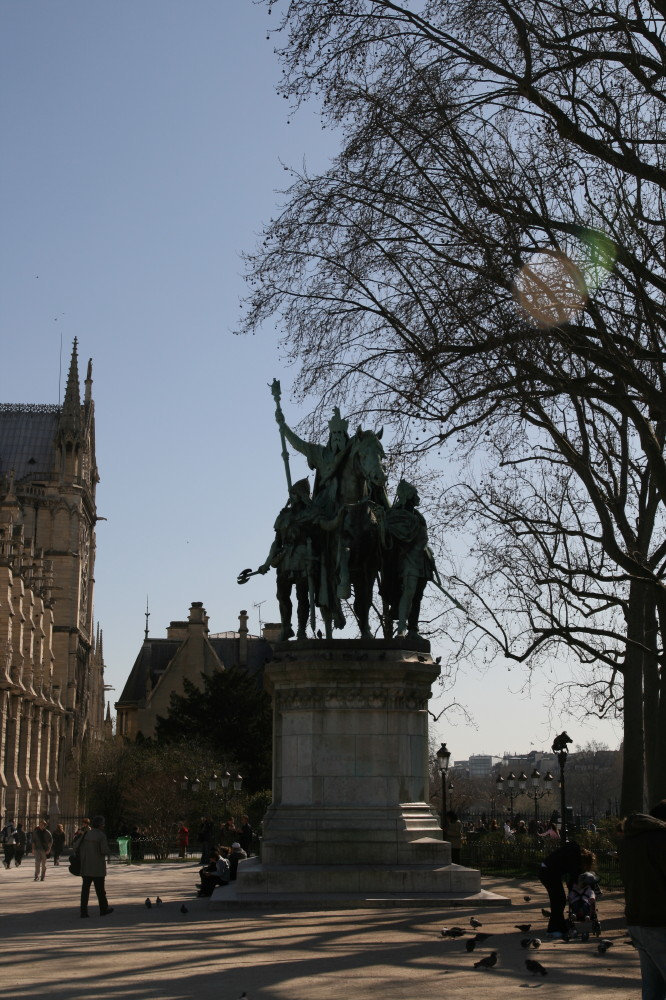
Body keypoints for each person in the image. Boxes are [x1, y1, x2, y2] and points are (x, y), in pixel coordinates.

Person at [258, 478, 317, 641]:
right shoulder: (284, 515)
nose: (293, 496)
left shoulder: (310, 513)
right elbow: (277, 542)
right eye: (292, 493)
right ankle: (286, 627)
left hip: (303, 559)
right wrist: (267, 562)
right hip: (285, 560)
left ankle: (301, 630)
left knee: (302, 596)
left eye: (296, 493)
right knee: (282, 595)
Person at [619, 799, 666, 999]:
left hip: (637, 918)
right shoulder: (661, 840)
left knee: (652, 986)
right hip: (659, 919)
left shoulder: (631, 840)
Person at [539, 841, 593, 937]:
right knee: (558, 901)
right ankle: (553, 929)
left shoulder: (572, 851)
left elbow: (572, 877)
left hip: (547, 870)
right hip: (549, 872)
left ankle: (560, 927)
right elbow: (573, 876)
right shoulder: (575, 858)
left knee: (558, 900)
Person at [74, 815, 113, 918]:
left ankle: (83, 911)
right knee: (100, 890)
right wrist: (109, 851)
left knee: (85, 890)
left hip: (86, 866)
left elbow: (76, 846)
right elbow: (104, 850)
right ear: (100, 825)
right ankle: (103, 909)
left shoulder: (86, 834)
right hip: (97, 867)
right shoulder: (101, 835)